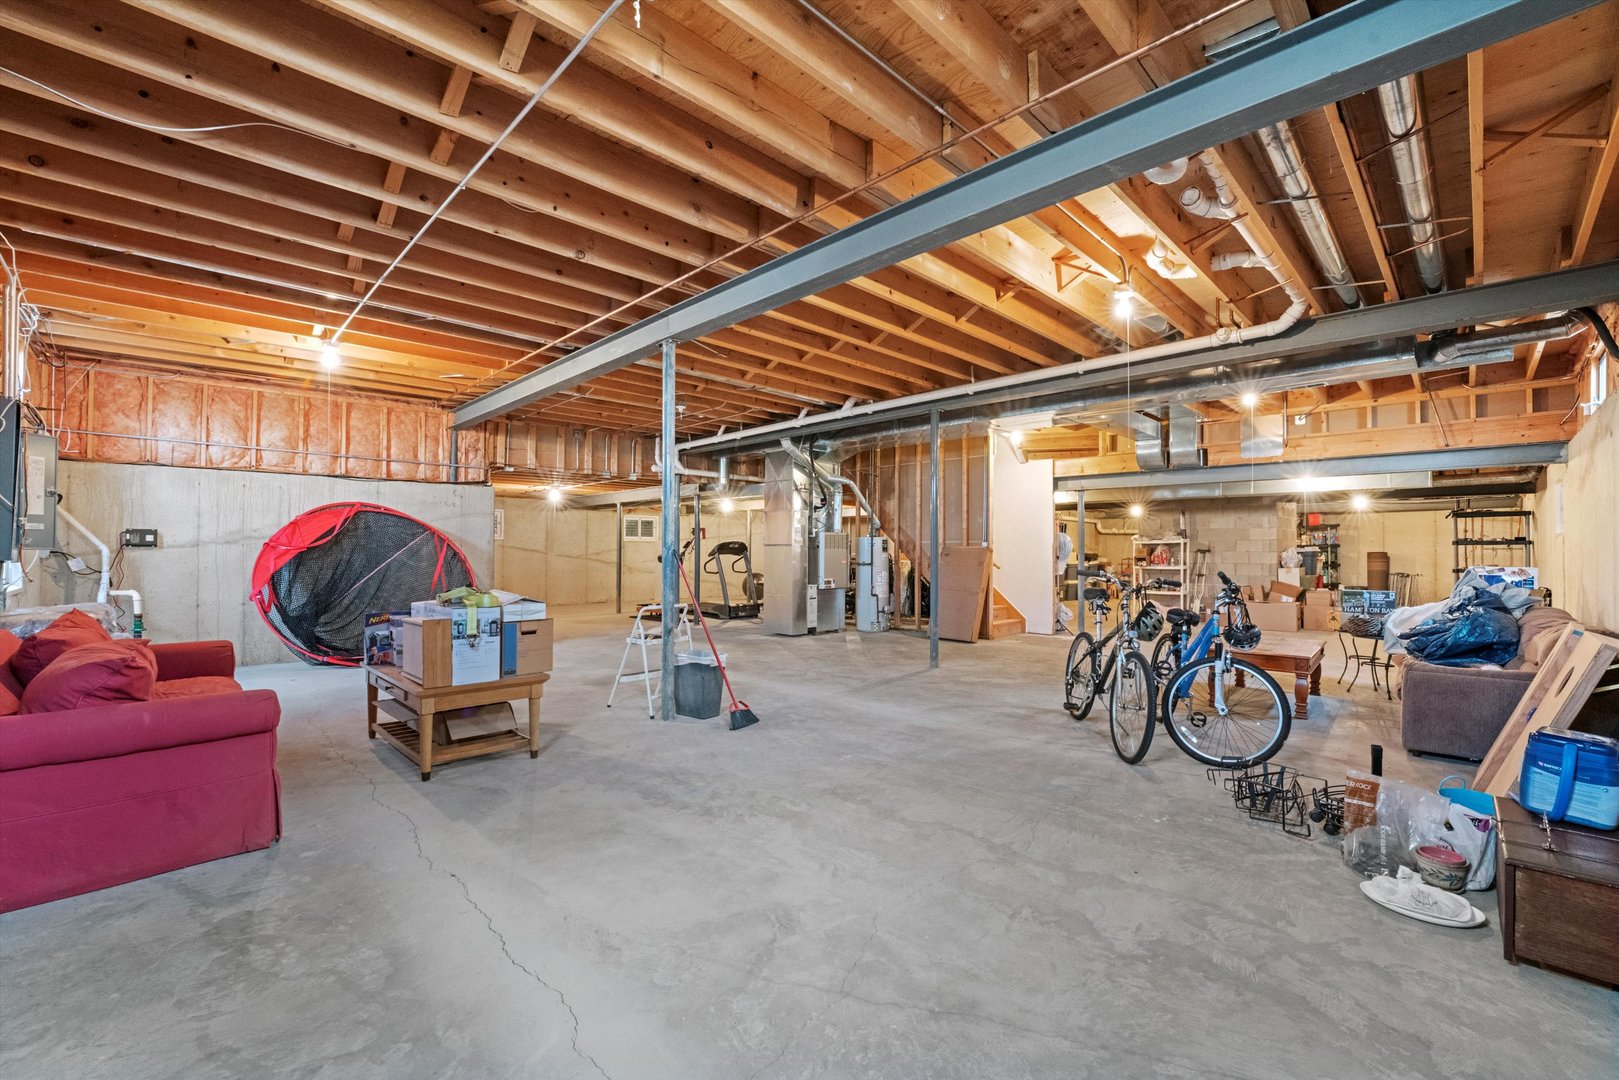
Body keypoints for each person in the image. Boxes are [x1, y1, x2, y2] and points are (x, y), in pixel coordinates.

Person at [1054, 524, 1075, 632]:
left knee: (1056, 593)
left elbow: (1062, 552)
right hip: (1057, 568)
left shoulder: (1061, 539)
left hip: (1057, 568)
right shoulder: (1062, 540)